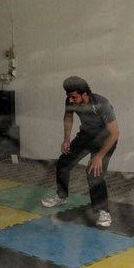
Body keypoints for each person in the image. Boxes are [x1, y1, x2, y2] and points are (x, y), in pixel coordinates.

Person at [41, 76, 119, 227]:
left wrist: (99, 157)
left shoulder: (101, 104)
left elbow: (115, 133)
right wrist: (66, 139)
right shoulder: (70, 101)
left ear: (84, 94)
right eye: (68, 97)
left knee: (94, 172)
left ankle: (103, 211)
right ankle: (61, 196)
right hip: (86, 136)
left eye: (74, 97)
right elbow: (68, 117)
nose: (70, 101)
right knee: (64, 162)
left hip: (105, 138)